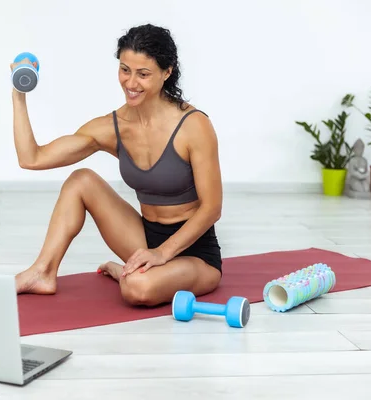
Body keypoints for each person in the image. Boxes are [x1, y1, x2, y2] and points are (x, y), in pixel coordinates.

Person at [11, 23, 223, 307]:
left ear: (167, 72)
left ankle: (129, 272)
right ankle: (43, 272)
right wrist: (18, 94)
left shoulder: (193, 126)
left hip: (194, 253)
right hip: (144, 238)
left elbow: (212, 208)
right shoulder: (113, 127)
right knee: (81, 180)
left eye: (143, 74)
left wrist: (162, 253)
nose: (131, 83)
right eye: (125, 70)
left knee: (136, 289)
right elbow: (32, 158)